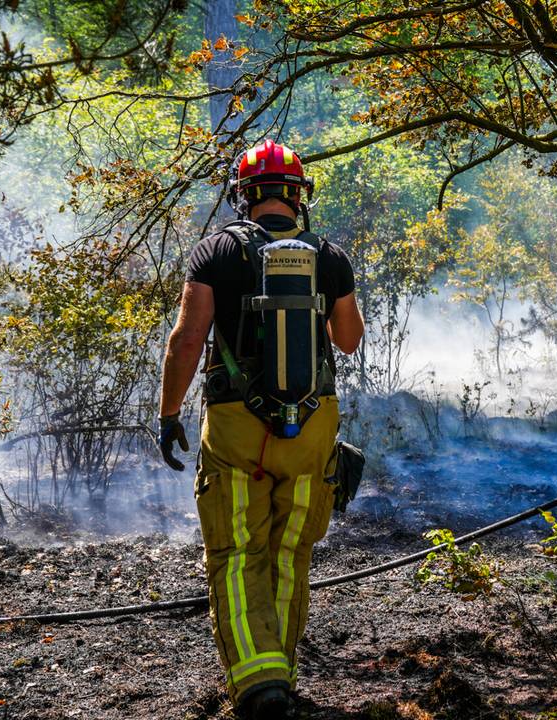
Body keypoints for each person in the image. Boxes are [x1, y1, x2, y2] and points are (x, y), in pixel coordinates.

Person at [156, 139, 364, 718]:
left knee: (237, 547)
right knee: (291, 548)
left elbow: (187, 340)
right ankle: (279, 671)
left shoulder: (215, 251)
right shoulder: (329, 254)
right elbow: (348, 342)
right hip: (314, 424)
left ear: (243, 194)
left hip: (235, 425)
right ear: (298, 195)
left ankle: (258, 683)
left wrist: (169, 413)